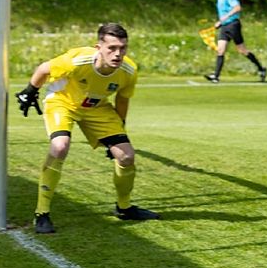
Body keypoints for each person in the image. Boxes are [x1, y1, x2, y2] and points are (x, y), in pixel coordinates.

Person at [14, 23, 161, 234]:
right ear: (98, 47)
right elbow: (44, 69)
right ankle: (42, 212)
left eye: (122, 48)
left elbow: (122, 100)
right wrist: (30, 91)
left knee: (126, 156)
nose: (117, 54)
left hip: (97, 108)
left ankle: (124, 208)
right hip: (63, 102)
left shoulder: (129, 70)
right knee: (60, 147)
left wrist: (118, 133)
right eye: (112, 48)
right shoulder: (78, 60)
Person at [203, 0, 267, 83]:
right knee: (220, 50)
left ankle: (261, 69)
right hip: (224, 27)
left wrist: (225, 17)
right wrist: (220, 22)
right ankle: (216, 76)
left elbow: (237, 8)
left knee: (242, 50)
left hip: (233, 25)